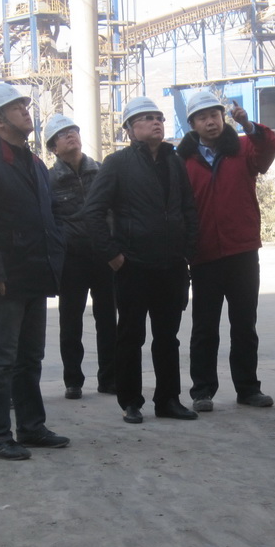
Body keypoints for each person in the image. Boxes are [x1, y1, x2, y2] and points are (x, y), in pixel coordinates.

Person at [0, 83, 70, 460]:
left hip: (35, 275)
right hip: (5, 280)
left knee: (29, 359)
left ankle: (31, 427)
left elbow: (50, 216)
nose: (26, 111)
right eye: (16, 107)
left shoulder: (35, 164)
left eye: (24, 104)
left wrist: (56, 256)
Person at [84, 96, 200, 425]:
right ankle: (131, 402)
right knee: (130, 337)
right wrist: (113, 255)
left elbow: (188, 208)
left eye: (159, 117)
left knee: (167, 338)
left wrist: (187, 251)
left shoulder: (173, 161)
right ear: (130, 130)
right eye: (147, 118)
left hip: (171, 266)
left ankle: (168, 400)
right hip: (133, 265)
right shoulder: (117, 163)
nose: (156, 122)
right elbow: (92, 211)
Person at [176, 91, 275, 412]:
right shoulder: (182, 162)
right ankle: (202, 390)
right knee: (204, 327)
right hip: (204, 255)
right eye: (202, 117)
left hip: (242, 251)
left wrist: (249, 125)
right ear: (192, 124)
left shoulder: (244, 149)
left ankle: (248, 389)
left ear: (224, 118)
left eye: (215, 115)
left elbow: (269, 147)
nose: (210, 122)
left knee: (244, 324)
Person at [44, 113, 116, 400]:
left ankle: (109, 378)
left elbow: (114, 209)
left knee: (107, 319)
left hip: (104, 257)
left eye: (73, 130)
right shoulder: (49, 180)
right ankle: (73, 380)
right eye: (63, 134)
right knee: (71, 322)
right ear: (53, 147)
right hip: (71, 260)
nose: (70, 135)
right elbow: (48, 221)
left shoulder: (100, 171)